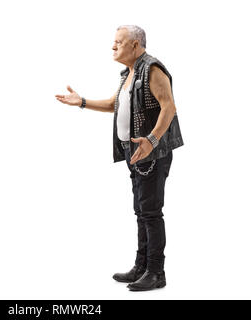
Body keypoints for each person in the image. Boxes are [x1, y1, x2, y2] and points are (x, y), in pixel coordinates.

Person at [55, 25, 184, 291]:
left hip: (150, 152)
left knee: (150, 212)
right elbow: (115, 104)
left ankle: (156, 272)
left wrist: (151, 140)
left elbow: (169, 106)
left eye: (119, 42)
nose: (113, 46)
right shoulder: (129, 72)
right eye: (114, 42)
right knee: (141, 210)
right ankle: (141, 266)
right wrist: (81, 101)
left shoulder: (153, 69)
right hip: (133, 151)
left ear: (135, 45)